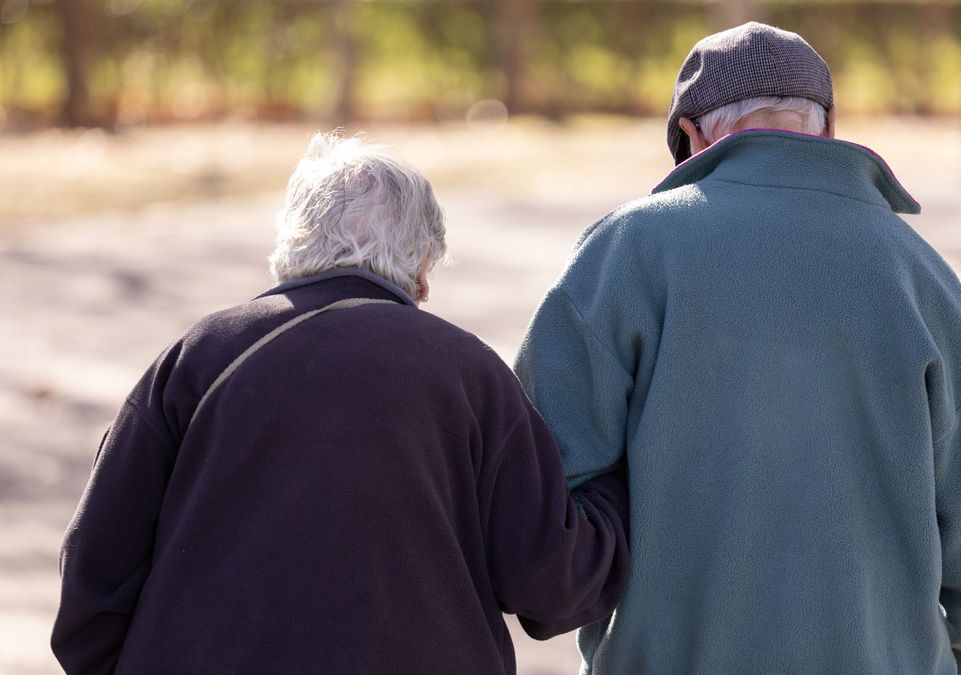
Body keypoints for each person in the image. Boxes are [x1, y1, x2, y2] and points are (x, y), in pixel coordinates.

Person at [515, 22, 961, 675]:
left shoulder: (626, 253)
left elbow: (543, 495)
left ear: (693, 138)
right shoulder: (916, 271)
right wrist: (960, 659)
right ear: (825, 130)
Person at [51, 132, 630, 674]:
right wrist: (617, 491)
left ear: (291, 240)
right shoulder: (469, 372)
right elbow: (551, 582)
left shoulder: (202, 356)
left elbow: (94, 577)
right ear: (423, 261)